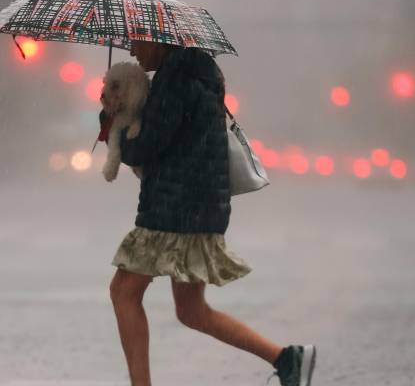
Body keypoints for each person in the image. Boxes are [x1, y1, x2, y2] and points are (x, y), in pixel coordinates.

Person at [101, 39, 316, 386]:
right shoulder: (193, 76)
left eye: (138, 40)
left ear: (159, 41)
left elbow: (148, 146)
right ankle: (287, 358)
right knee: (191, 310)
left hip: (175, 211)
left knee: (124, 291)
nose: (132, 51)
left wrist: (114, 126)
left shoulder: (176, 82)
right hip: (196, 210)